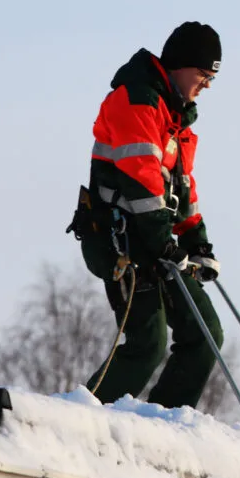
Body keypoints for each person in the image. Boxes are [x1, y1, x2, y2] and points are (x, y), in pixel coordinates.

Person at [68, 21, 225, 409]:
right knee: (147, 344)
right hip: (122, 241)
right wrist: (164, 244)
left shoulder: (177, 119)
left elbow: (180, 188)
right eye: (203, 75)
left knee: (205, 335)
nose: (206, 85)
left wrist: (196, 241)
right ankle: (79, 418)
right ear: (180, 65)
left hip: (156, 243)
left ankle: (166, 424)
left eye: (211, 78)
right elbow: (142, 180)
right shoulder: (137, 100)